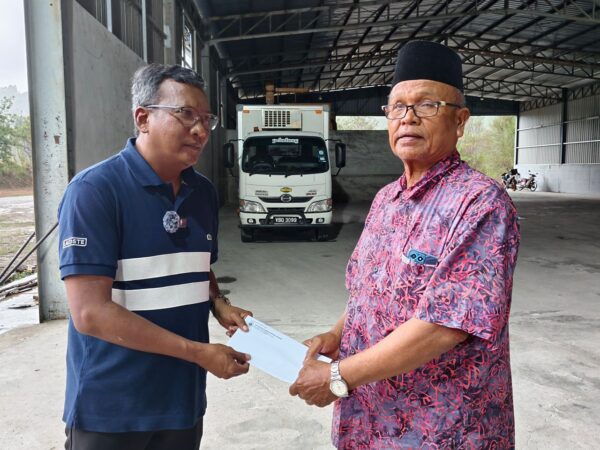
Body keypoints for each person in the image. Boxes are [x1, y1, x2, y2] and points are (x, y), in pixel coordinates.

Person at [290, 40, 520, 449]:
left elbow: (444, 326)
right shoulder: (386, 199)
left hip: (442, 431)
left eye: (427, 105)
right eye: (397, 107)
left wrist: (338, 375)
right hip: (369, 420)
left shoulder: (480, 203)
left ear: (460, 120)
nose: (408, 117)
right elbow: (368, 292)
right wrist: (335, 335)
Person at [58, 64, 251, 450]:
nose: (200, 131)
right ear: (143, 118)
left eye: (206, 120)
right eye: (186, 114)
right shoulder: (95, 191)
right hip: (112, 409)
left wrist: (218, 302)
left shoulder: (203, 193)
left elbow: (197, 264)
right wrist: (199, 353)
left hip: (181, 404)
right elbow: (90, 313)